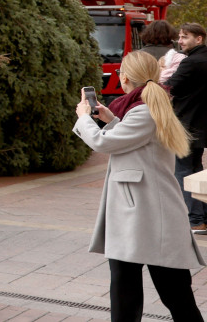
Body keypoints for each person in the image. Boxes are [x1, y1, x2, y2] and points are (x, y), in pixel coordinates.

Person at [74, 50, 205, 321]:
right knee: (132, 288)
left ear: (124, 77)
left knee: (172, 293)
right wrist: (111, 120)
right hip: (138, 211)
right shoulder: (145, 108)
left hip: (144, 213)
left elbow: (102, 143)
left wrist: (84, 117)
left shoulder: (144, 111)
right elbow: (134, 141)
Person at [168, 23, 207, 232]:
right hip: (200, 124)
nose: (180, 41)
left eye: (185, 37)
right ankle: (203, 217)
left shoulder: (191, 62)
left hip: (186, 123)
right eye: (180, 37)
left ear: (198, 39)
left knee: (183, 171)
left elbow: (170, 86)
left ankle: (195, 219)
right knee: (196, 169)